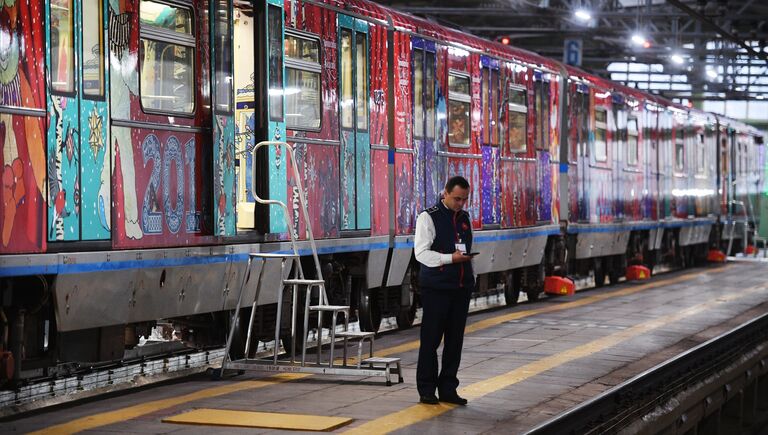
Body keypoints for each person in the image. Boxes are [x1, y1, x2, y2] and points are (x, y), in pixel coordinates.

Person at [414, 175, 475, 405]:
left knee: (454, 341)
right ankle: (427, 389)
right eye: (457, 198)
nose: (461, 203)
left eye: (465, 199)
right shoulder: (428, 217)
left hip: (460, 289)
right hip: (436, 289)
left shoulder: (465, 219)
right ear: (446, 193)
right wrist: (451, 258)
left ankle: (448, 388)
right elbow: (421, 253)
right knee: (430, 340)